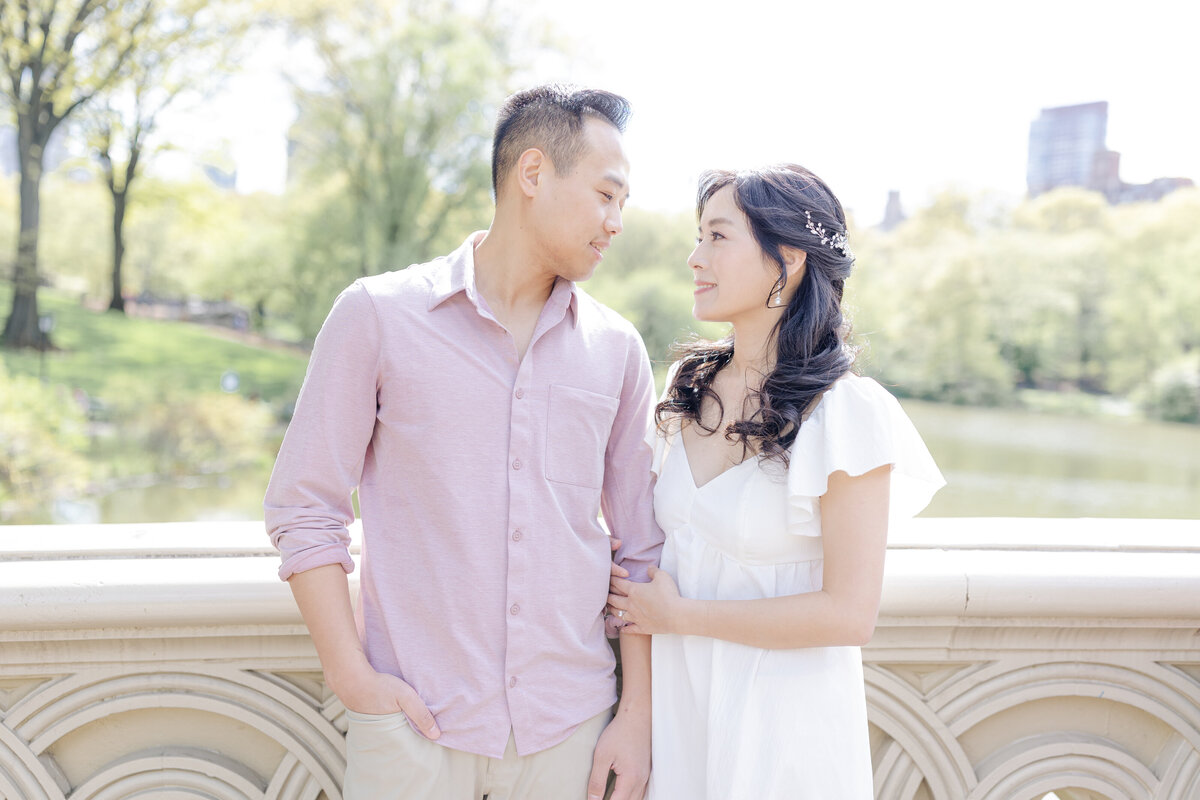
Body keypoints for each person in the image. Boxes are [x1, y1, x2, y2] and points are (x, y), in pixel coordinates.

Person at [264, 85, 662, 800]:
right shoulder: (376, 316)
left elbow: (641, 550)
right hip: (416, 727)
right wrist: (354, 681)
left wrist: (636, 717)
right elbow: (305, 507)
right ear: (533, 175)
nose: (617, 222)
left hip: (569, 732)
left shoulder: (618, 350)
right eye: (607, 195)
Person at [606, 164, 945, 798]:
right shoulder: (686, 390)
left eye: (717, 237)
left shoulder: (847, 413)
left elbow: (849, 614)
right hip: (680, 720)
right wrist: (635, 715)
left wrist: (683, 617)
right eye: (698, 236)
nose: (693, 257)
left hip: (783, 729)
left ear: (784, 261)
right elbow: (644, 563)